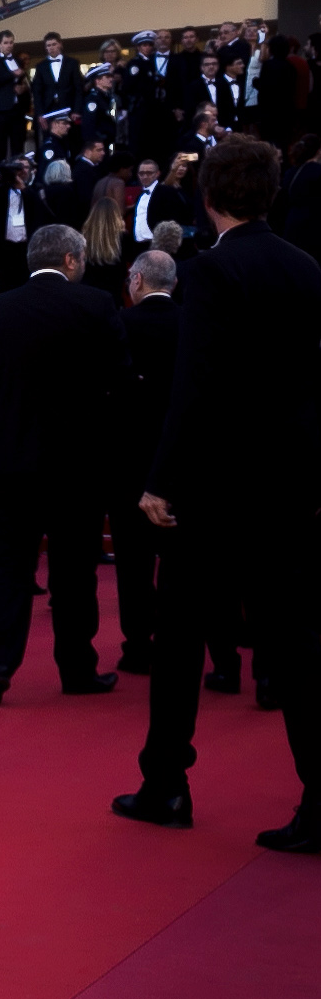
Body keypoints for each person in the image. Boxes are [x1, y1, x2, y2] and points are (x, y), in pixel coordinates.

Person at [112, 137, 321, 845]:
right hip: (287, 481)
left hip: (215, 485)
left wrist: (160, 480)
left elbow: (194, 385)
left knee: (179, 638)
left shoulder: (210, 273)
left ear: (207, 199)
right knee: (293, 639)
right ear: (272, 192)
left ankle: (165, 783)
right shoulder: (306, 267)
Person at [0, 223, 123, 704]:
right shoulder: (96, 304)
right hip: (79, 465)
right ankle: (77, 668)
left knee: (9, 562)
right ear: (71, 260)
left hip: (12, 463)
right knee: (74, 569)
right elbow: (119, 381)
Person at [111, 248, 181, 678]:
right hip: (182, 458)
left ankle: (138, 646)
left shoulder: (120, 324)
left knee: (133, 562)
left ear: (136, 280)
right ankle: (178, 642)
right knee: (181, 559)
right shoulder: (192, 323)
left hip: (129, 461)